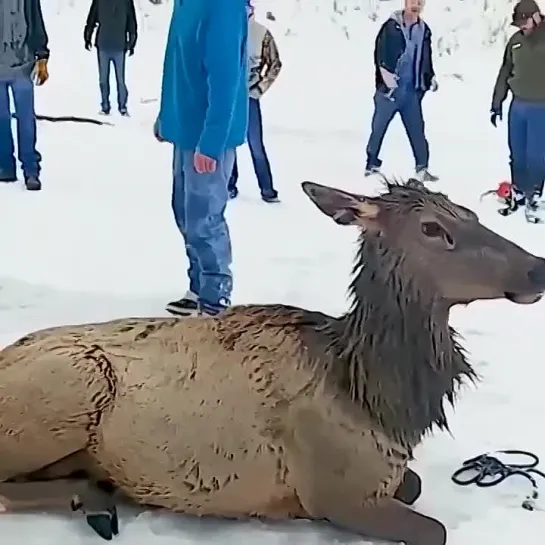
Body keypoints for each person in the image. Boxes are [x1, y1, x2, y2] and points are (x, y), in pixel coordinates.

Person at [154, 0, 249, 317]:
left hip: (209, 136)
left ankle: (215, 294)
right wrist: (167, 117)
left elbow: (225, 79)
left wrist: (211, 141)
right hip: (185, 129)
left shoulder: (223, 6)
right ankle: (198, 286)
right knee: (184, 213)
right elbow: (177, 67)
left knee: (204, 219)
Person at [365, 0, 438, 183]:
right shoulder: (391, 27)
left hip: (411, 91)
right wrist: (385, 75)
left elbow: (425, 57)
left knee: (417, 130)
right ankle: (371, 164)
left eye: (420, 2)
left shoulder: (424, 30)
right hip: (389, 91)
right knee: (378, 128)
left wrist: (430, 77)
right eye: (413, 1)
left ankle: (422, 167)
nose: (416, 5)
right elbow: (380, 53)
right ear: (405, 3)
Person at [491, 0, 545, 220]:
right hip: (518, 105)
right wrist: (497, 103)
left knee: (536, 154)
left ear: (536, 16)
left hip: (541, 106)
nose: (522, 27)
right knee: (517, 153)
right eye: (519, 23)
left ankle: (535, 195)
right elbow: (505, 72)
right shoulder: (515, 42)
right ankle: (520, 191)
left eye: (525, 21)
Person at [228, 2, 282, 203]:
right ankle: (229, 184)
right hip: (228, 97)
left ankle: (267, 189)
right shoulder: (224, 30)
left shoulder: (261, 33)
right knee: (229, 142)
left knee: (255, 144)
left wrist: (260, 88)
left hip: (249, 97)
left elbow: (275, 63)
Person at [0, 0, 49, 191]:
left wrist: (42, 56)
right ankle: (5, 165)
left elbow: (36, 21)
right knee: (1, 118)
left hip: (22, 64)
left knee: (26, 118)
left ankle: (31, 169)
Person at [84, 0, 138, 116]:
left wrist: (132, 41)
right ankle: (105, 106)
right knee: (104, 79)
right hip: (104, 44)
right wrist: (87, 36)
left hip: (119, 45)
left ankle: (122, 106)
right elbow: (92, 18)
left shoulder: (126, 2)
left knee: (120, 80)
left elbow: (131, 21)